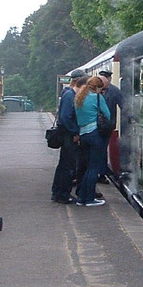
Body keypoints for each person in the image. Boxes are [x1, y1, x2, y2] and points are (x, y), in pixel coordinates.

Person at [74, 75, 110, 207]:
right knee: (93, 168)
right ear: (98, 88)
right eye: (101, 89)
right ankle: (89, 199)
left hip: (83, 135)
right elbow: (107, 115)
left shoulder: (78, 97)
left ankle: (81, 198)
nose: (102, 92)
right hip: (95, 134)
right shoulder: (97, 98)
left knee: (86, 167)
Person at [50, 70, 83, 204]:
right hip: (68, 136)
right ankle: (63, 194)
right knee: (68, 165)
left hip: (65, 134)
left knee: (63, 165)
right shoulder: (70, 95)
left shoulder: (66, 93)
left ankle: (57, 192)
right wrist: (75, 132)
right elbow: (66, 117)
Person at [98, 69, 124, 182]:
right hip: (103, 124)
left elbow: (123, 105)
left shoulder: (114, 91)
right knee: (100, 149)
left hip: (106, 126)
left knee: (102, 148)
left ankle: (102, 173)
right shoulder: (114, 91)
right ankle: (100, 173)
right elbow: (123, 105)